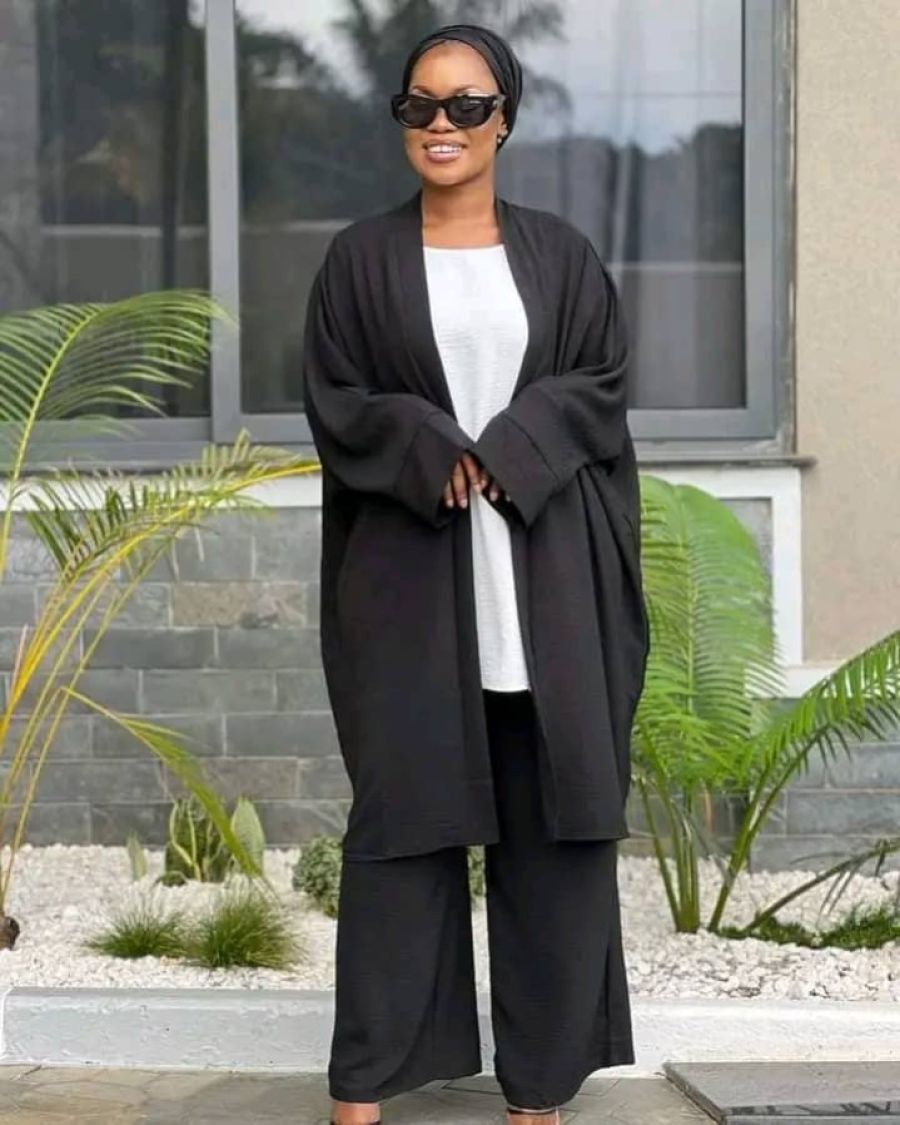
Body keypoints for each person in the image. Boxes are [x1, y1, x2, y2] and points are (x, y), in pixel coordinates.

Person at [302, 23, 650, 1125]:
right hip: (411, 590)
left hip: (549, 587)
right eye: (420, 105)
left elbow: (600, 383)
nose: (441, 124)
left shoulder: (562, 255)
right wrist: (427, 444)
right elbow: (339, 399)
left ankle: (537, 1088)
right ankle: (367, 1081)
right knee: (401, 826)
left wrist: (509, 446)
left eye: (466, 105)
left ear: (504, 118)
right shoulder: (359, 260)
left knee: (553, 836)